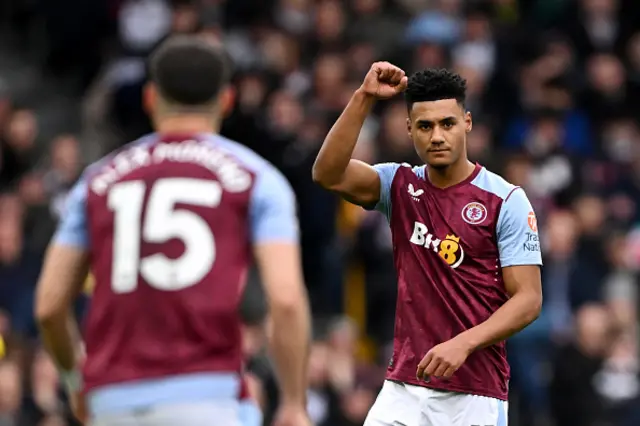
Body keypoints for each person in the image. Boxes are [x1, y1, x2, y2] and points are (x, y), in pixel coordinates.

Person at [34, 35, 312, 426]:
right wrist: (294, 402)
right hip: (208, 396)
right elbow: (285, 299)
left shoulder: (97, 180)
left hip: (111, 399)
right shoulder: (257, 178)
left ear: (150, 98)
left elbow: (49, 306)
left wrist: (74, 378)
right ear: (227, 100)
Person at [313, 63, 543, 426]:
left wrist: (463, 343)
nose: (437, 136)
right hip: (404, 386)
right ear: (409, 130)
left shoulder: (506, 200)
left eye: (447, 123)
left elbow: (528, 300)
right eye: (425, 126)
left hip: (474, 392)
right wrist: (364, 97)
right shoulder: (398, 185)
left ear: (466, 122)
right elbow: (326, 173)